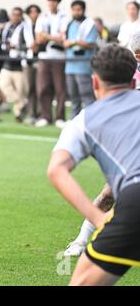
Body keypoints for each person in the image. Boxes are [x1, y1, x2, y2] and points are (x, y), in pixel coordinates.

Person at [47, 44, 140, 285]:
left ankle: (81, 240)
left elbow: (56, 171)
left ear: (95, 83)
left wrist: (98, 220)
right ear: (132, 82)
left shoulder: (84, 120)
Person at [34, 0, 68, 128]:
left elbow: (62, 37)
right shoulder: (42, 17)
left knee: (60, 88)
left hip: (59, 56)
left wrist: (47, 36)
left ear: (58, 2)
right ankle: (45, 116)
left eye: (54, 1)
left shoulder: (64, 17)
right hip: (44, 56)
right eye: (50, 0)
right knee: (43, 87)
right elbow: (38, 38)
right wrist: (53, 37)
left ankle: (60, 116)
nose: (52, 3)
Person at [63, 0, 98, 119]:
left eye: (79, 10)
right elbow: (65, 41)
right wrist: (67, 44)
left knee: (87, 95)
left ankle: (91, 119)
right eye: (74, 10)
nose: (76, 12)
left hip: (83, 66)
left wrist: (76, 42)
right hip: (70, 66)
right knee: (73, 96)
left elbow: (92, 44)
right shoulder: (70, 24)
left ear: (83, 10)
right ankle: (74, 120)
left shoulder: (89, 25)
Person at [0, 7, 28, 122]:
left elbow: (30, 44)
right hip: (8, 61)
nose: (15, 17)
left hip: (20, 63)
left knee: (21, 90)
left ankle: (18, 115)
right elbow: (3, 42)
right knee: (3, 84)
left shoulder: (25, 28)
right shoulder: (7, 27)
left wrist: (17, 46)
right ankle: (22, 103)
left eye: (18, 15)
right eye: (13, 14)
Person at [23, 4, 41, 125]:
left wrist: (37, 44)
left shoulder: (43, 24)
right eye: (31, 12)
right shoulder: (24, 26)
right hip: (28, 60)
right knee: (30, 88)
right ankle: (31, 113)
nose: (34, 14)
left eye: (36, 12)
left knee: (41, 88)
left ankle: (41, 113)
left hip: (41, 60)